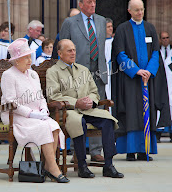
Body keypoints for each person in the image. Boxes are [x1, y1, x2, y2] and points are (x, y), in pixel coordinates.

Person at [46, 39, 123, 178]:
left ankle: (109, 165)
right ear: (60, 53)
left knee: (108, 121)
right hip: (66, 111)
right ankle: (81, 165)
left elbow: (94, 92)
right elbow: (53, 96)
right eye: (69, 50)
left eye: (74, 50)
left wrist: (91, 101)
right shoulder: (53, 71)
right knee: (79, 122)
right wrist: (76, 103)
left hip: (87, 109)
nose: (73, 53)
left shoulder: (83, 70)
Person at [1, 38, 69, 183]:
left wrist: (43, 109)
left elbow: (40, 96)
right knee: (44, 127)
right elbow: (10, 102)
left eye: (29, 56)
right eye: (25, 57)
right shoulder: (8, 75)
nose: (29, 60)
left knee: (54, 127)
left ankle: (47, 165)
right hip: (16, 116)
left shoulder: (33, 74)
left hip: (36, 115)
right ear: (16, 60)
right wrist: (31, 113)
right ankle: (54, 169)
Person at [111, 0, 171, 161]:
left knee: (147, 111)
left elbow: (155, 53)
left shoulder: (150, 28)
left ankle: (145, 149)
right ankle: (130, 150)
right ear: (129, 11)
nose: (140, 13)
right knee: (131, 113)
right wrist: (136, 71)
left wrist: (149, 71)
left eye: (142, 9)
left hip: (147, 80)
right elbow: (119, 54)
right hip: (130, 80)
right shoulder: (123, 29)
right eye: (136, 10)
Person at [60, 0, 107, 163]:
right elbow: (63, 46)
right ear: (81, 4)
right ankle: (76, 152)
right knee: (76, 111)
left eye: (94, 1)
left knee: (98, 110)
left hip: (98, 72)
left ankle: (96, 151)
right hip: (76, 74)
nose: (93, 5)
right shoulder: (70, 23)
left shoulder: (102, 21)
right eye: (89, 2)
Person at [104, 18, 114, 101]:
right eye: (108, 27)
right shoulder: (100, 43)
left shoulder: (115, 41)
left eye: (111, 26)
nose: (111, 28)